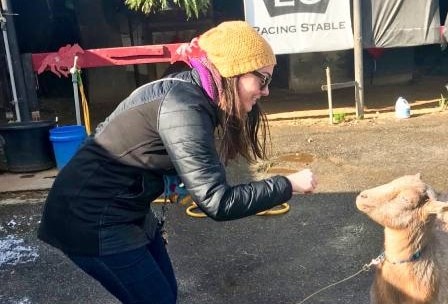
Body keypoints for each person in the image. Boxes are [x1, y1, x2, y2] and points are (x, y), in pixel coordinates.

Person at [38, 20, 317, 304]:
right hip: (88, 219)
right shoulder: (183, 106)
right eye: (263, 80)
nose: (266, 91)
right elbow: (217, 202)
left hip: (127, 208)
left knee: (164, 296)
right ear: (235, 72)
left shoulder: (194, 94)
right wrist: (287, 184)